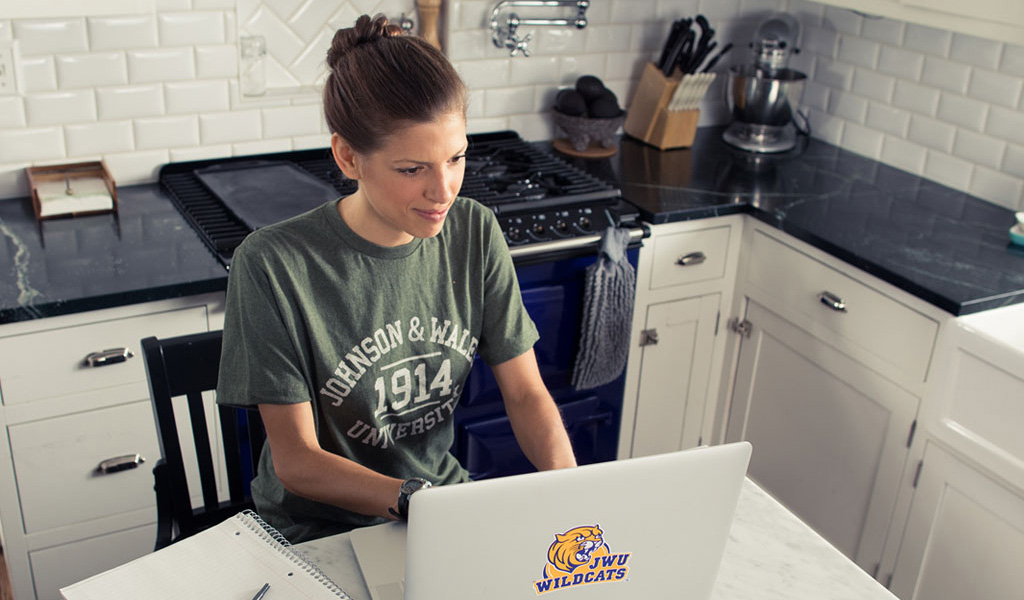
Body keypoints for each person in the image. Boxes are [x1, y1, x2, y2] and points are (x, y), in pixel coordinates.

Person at [216, 14, 577, 544]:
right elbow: (296, 460)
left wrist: (573, 493)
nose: (443, 190)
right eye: (412, 169)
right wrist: (416, 501)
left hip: (437, 508)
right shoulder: (273, 264)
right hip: (318, 529)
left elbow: (524, 394)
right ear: (347, 157)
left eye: (456, 159)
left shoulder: (474, 231)